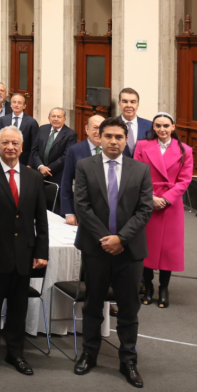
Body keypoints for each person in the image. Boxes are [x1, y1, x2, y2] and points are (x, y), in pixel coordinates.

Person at [73, 117, 152, 389]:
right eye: (108, 136)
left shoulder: (140, 170)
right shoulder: (84, 166)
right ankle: (89, 353)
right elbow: (82, 206)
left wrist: (121, 239)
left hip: (129, 252)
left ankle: (128, 360)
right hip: (96, 249)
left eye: (119, 136)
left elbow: (144, 210)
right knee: (93, 304)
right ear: (100, 137)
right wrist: (105, 239)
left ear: (125, 138)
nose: (114, 141)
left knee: (129, 308)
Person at [0, 125, 49, 376]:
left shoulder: (34, 177)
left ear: (22, 147)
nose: (10, 147)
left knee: (18, 309)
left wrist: (42, 252)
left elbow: (41, 220)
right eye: (6, 143)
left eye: (15, 143)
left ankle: (16, 354)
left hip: (24, 256)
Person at [133, 113, 193, 309]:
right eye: (158, 126)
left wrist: (166, 199)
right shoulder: (142, 146)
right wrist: (150, 198)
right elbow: (136, 174)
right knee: (147, 247)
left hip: (171, 204)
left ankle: (164, 287)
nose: (162, 129)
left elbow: (184, 181)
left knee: (169, 249)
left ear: (173, 127)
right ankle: (148, 286)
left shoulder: (185, 150)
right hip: (148, 200)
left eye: (166, 125)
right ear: (153, 127)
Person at [30, 108, 77, 214]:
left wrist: (48, 169)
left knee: (54, 207)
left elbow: (66, 156)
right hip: (39, 172)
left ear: (64, 119)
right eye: (53, 116)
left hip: (56, 175)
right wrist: (41, 166)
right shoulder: (42, 129)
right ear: (49, 118)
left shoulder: (70, 134)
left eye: (59, 117)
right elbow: (34, 150)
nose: (56, 119)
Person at [61, 115, 106, 225]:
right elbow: (66, 181)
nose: (98, 132)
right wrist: (68, 212)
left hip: (106, 212)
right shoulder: (75, 150)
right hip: (82, 210)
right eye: (95, 127)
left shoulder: (112, 150)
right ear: (87, 129)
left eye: (102, 128)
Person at [0, 93, 38, 167]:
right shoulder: (3, 120)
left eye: (19, 103)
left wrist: (30, 164)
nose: (16, 105)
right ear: (10, 105)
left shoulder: (32, 122)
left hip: (24, 162)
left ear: (24, 106)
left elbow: (34, 146)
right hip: (5, 160)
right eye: (14, 102)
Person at [117, 88, 152, 158]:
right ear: (119, 104)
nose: (129, 105)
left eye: (133, 102)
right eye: (125, 101)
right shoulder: (110, 124)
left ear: (137, 105)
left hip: (141, 167)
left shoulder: (150, 126)